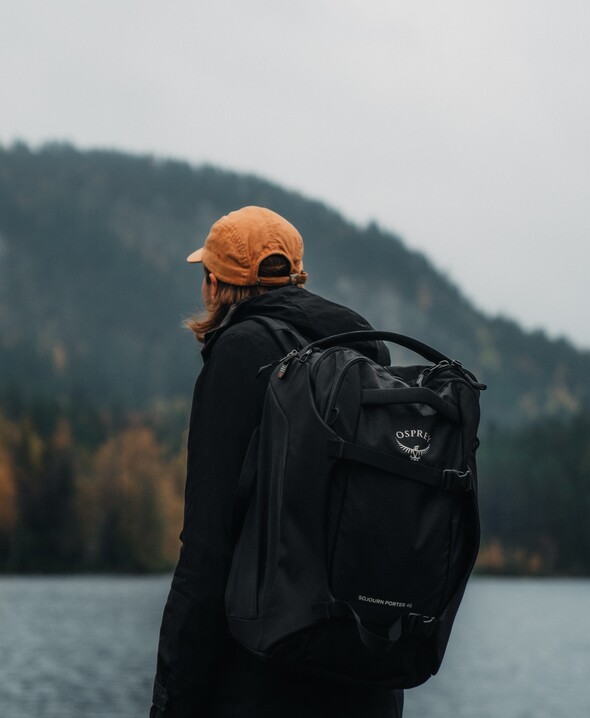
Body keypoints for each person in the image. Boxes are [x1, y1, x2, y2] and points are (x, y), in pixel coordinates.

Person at [150, 206, 404, 718]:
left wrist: (171, 705)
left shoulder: (239, 353)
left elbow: (206, 553)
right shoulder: (365, 348)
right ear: (297, 276)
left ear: (213, 285)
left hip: (263, 680)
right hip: (366, 680)